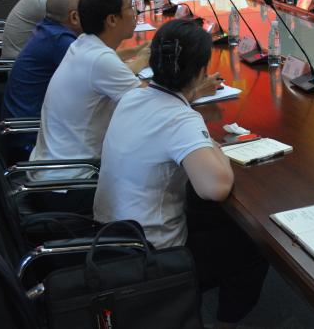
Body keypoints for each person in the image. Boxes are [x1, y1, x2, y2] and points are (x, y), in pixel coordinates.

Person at [94, 19, 265, 328]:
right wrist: (216, 149)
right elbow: (216, 187)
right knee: (253, 246)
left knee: (213, 217)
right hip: (151, 255)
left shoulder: (134, 95)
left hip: (110, 236)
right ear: (201, 72)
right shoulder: (181, 119)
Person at [29, 0, 152, 180]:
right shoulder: (100, 59)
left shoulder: (83, 42)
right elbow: (152, 104)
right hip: (71, 181)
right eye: (130, 6)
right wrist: (196, 88)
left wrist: (139, 52)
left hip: (50, 168)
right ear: (112, 19)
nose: (135, 12)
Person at [1, 0, 83, 126]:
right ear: (74, 17)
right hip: (30, 129)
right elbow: (96, 79)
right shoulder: (60, 41)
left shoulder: (48, 29)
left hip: (23, 118)